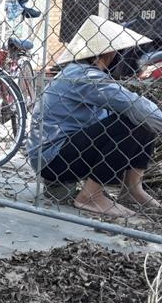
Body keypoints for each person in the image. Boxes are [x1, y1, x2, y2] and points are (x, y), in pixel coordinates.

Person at [26, 15, 162, 217]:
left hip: (63, 154)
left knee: (141, 120)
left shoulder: (84, 73)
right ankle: (90, 196)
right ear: (107, 54)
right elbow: (135, 104)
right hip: (52, 159)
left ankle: (132, 189)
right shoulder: (83, 76)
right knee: (133, 119)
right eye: (118, 53)